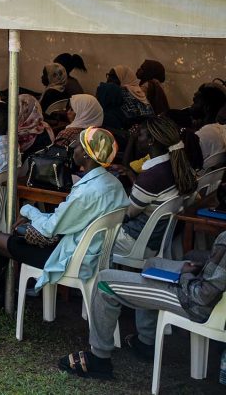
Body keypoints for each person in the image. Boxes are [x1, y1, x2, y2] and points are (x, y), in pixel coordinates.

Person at [0, 127, 129, 318]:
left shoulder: (87, 191)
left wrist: (28, 211)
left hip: (69, 257)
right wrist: (36, 216)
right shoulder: (113, 184)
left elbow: (49, 229)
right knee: (8, 239)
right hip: (92, 255)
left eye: (78, 146)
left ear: (88, 155)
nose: (74, 149)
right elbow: (66, 219)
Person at [58, 229, 226, 380]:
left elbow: (204, 296)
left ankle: (99, 358)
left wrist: (184, 275)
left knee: (104, 281)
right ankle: (146, 342)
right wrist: (201, 263)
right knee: (154, 263)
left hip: (195, 304)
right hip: (205, 294)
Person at [113, 117, 196, 256]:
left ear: (151, 141)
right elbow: (150, 195)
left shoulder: (152, 176)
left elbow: (126, 214)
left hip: (137, 242)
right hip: (157, 238)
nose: (137, 139)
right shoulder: (177, 166)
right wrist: (130, 174)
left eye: (140, 135)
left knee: (86, 235)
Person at [96, 65, 153, 131]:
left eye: (113, 77)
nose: (109, 79)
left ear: (122, 78)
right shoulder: (139, 92)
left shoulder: (120, 92)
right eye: (108, 75)